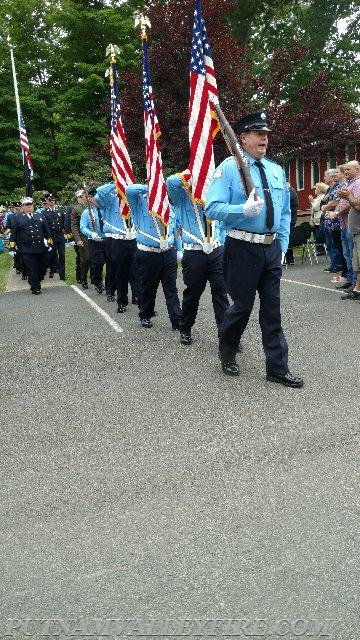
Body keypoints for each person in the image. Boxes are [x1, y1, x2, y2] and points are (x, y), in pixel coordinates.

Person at [205, 110, 303, 387]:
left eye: (266, 135)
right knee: (242, 307)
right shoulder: (228, 168)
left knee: (272, 309)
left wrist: (282, 244)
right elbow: (212, 208)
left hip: (271, 249)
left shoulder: (275, 169)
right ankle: (227, 349)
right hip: (242, 247)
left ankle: (277, 367)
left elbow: (284, 212)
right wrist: (241, 210)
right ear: (243, 137)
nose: (264, 139)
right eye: (258, 134)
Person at [166, 172, 230, 346]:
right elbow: (170, 182)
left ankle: (226, 334)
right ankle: (185, 329)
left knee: (221, 293)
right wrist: (189, 174)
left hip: (217, 251)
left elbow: (222, 224)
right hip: (194, 254)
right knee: (192, 295)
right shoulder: (182, 196)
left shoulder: (215, 195)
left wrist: (223, 246)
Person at [125, 183, 182, 329]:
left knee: (171, 288)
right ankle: (145, 314)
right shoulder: (139, 204)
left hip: (168, 252)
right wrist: (151, 186)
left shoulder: (169, 207)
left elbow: (175, 230)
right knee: (148, 286)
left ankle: (176, 319)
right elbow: (129, 190)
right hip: (148, 253)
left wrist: (179, 249)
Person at [94, 182, 141, 312]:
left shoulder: (132, 199)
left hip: (134, 239)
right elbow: (100, 191)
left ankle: (138, 297)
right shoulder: (109, 200)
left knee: (136, 271)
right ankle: (122, 301)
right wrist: (115, 183)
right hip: (118, 241)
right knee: (121, 272)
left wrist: (129, 186)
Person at [8, 197, 52, 295]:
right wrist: (12, 247)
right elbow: (13, 234)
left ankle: (37, 279)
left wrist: (49, 242)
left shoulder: (40, 216)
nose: (29, 207)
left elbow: (47, 231)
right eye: (27, 205)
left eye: (30, 205)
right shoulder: (17, 217)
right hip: (26, 248)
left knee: (43, 267)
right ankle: (35, 287)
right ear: (23, 207)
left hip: (40, 247)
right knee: (32, 269)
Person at [80, 189, 107, 294]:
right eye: (92, 197)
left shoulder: (105, 209)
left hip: (108, 240)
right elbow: (83, 227)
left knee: (112, 264)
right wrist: (91, 234)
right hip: (95, 242)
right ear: (89, 198)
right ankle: (98, 282)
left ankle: (109, 284)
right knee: (98, 263)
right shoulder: (87, 212)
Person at [41, 194, 66, 280]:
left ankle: (62, 274)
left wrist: (67, 234)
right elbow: (44, 226)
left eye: (53, 200)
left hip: (60, 236)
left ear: (55, 201)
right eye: (50, 201)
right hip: (50, 237)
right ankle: (52, 269)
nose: (51, 202)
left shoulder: (60, 211)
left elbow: (64, 222)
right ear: (47, 202)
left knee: (62, 255)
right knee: (52, 255)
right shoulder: (44, 212)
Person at [70, 190, 90, 289]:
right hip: (83, 237)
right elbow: (74, 225)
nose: (85, 198)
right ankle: (83, 279)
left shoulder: (91, 206)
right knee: (85, 259)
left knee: (94, 259)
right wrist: (77, 239)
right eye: (82, 197)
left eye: (85, 196)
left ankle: (95, 279)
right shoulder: (76, 209)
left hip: (93, 236)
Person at [308, 182, 328, 255]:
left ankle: (322, 249)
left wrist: (311, 201)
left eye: (316, 188)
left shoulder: (322, 197)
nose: (315, 190)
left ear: (320, 189)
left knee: (319, 234)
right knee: (316, 234)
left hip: (319, 218)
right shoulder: (317, 197)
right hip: (315, 219)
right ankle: (319, 249)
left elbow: (316, 207)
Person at [284, 182, 298, 265]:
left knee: (287, 238)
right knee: (287, 238)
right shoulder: (290, 191)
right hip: (290, 219)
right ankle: (289, 258)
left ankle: (289, 258)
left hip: (290, 219)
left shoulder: (290, 191)